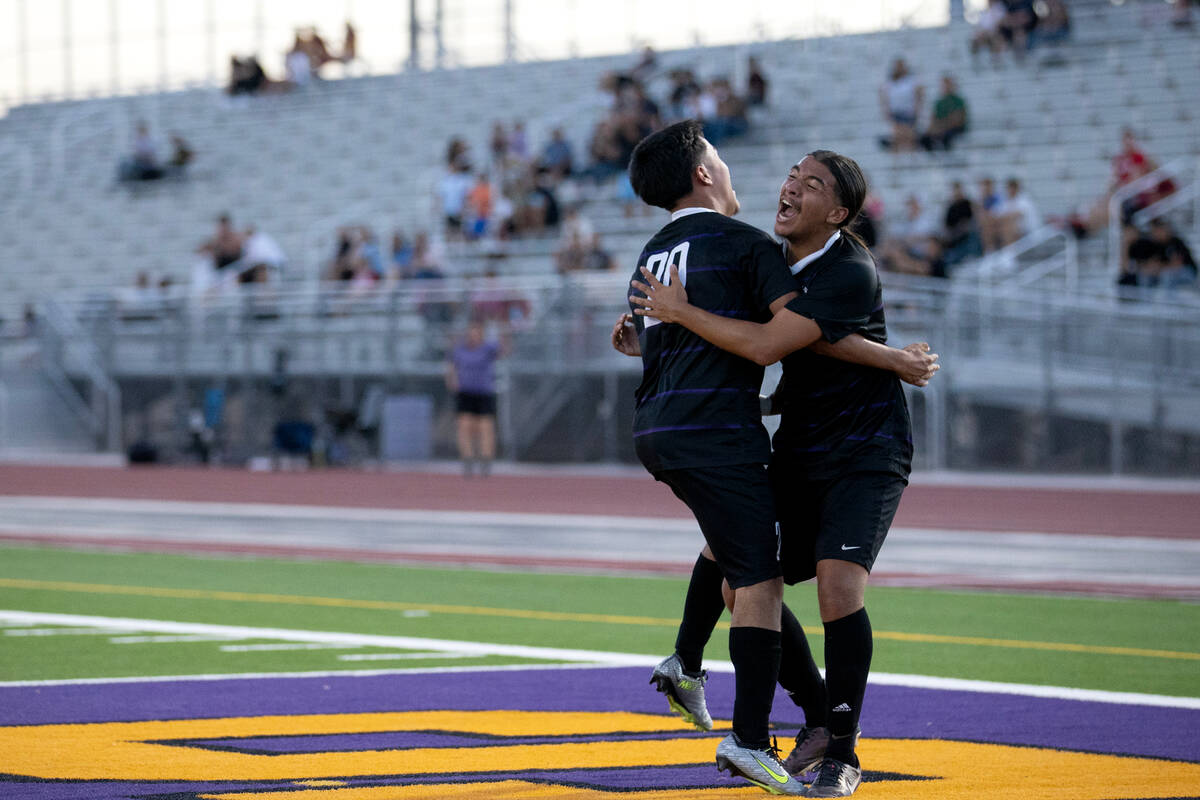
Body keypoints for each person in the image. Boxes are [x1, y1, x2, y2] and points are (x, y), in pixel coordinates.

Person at [614, 123, 936, 797]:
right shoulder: (763, 257)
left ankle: (841, 751)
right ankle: (807, 714)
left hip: (862, 448)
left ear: (839, 214)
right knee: (741, 578)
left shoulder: (845, 267)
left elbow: (775, 344)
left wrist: (676, 309)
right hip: (799, 440)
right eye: (793, 172)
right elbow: (759, 344)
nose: (792, 184)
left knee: (835, 583)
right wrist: (656, 334)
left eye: (812, 183)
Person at [446, 320, 506, 477]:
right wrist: (452, 380)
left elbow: (505, 350)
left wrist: (504, 328)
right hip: (466, 393)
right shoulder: (459, 349)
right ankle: (468, 459)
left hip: (484, 393)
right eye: (471, 332)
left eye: (477, 332)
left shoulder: (488, 348)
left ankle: (486, 460)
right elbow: (451, 366)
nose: (474, 336)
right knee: (465, 426)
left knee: (485, 427)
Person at [878, 58, 922, 152]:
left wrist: (917, 109)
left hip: (908, 112)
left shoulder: (911, 80)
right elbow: (883, 95)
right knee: (897, 137)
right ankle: (896, 162)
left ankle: (911, 158)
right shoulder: (890, 82)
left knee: (909, 136)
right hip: (896, 112)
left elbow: (919, 93)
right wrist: (886, 110)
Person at [920, 76, 968, 152]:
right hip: (941, 128)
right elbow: (933, 119)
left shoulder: (958, 101)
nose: (945, 87)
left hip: (954, 129)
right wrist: (931, 129)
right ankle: (932, 158)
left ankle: (948, 156)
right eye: (944, 85)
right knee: (924, 138)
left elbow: (957, 120)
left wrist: (940, 127)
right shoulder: (939, 102)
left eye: (947, 85)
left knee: (946, 136)